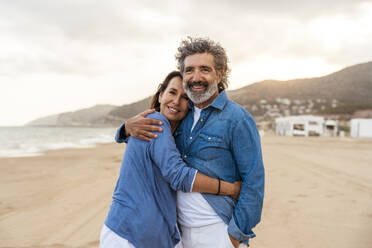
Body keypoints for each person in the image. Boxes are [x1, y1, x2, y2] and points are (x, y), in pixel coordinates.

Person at [122, 37, 265, 248]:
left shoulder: (237, 119)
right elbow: (150, 144)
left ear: (220, 73)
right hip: (178, 234)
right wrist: (125, 128)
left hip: (218, 232)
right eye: (189, 70)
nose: (196, 77)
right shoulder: (180, 116)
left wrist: (234, 236)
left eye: (204, 69)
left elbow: (254, 183)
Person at [100, 71, 241, 248]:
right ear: (161, 95)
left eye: (185, 98)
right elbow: (178, 175)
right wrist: (230, 188)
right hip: (128, 234)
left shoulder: (178, 137)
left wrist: (124, 129)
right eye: (172, 92)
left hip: (154, 235)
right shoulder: (155, 121)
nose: (176, 101)